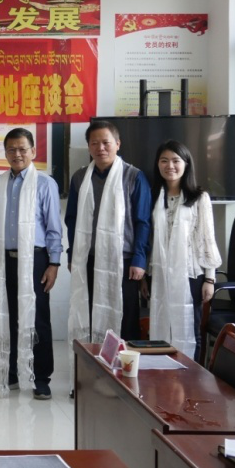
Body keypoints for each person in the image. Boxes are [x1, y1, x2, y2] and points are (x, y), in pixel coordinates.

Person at [0, 128, 63, 401]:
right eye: (11, 149)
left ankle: (41, 378)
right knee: (8, 317)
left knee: (38, 319)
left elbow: (54, 228)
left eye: (22, 149)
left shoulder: (45, 183)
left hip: (36, 260)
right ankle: (10, 374)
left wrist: (54, 263)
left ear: (33, 151)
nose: (17, 154)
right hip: (4, 259)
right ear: (5, 153)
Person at [66, 120, 152, 350]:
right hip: (88, 259)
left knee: (126, 318)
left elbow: (143, 222)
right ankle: (93, 366)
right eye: (94, 143)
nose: (100, 148)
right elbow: (72, 220)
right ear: (89, 147)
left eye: (106, 142)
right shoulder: (80, 177)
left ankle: (126, 369)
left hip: (124, 261)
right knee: (89, 315)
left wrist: (140, 259)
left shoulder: (134, 177)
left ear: (118, 144)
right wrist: (72, 255)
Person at [149, 139, 222, 361]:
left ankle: (192, 376)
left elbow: (207, 239)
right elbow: (149, 239)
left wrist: (209, 279)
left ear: (186, 164)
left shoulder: (199, 198)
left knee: (191, 329)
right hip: (160, 273)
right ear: (157, 164)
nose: (170, 166)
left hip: (191, 274)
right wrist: (145, 275)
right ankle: (163, 373)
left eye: (175, 160)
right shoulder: (153, 196)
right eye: (164, 161)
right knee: (161, 324)